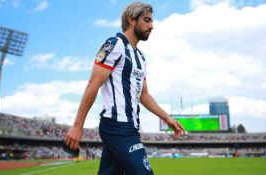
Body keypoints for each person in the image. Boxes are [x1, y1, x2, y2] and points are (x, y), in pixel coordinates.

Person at [64, 2, 185, 174]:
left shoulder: (141, 57)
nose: (152, 26)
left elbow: (144, 95)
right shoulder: (114, 45)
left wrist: (168, 119)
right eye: (146, 20)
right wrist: (77, 125)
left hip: (130, 128)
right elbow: (93, 84)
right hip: (117, 126)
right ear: (131, 20)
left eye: (151, 21)